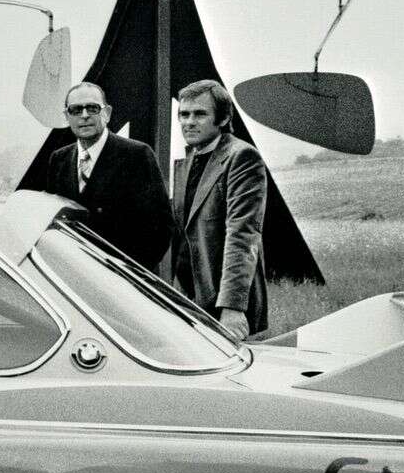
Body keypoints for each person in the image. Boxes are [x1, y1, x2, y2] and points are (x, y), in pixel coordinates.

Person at [169, 78, 268, 341]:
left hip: (222, 302)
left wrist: (233, 308)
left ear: (223, 119)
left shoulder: (242, 157)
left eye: (200, 114)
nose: (189, 121)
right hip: (190, 299)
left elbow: (243, 234)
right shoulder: (190, 158)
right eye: (184, 114)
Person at [44, 80, 174, 270]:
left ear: (107, 113)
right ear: (67, 116)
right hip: (72, 277)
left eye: (92, 108)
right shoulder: (59, 159)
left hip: (122, 282)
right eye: (76, 110)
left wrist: (133, 275)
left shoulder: (137, 155)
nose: (85, 115)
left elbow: (160, 228)